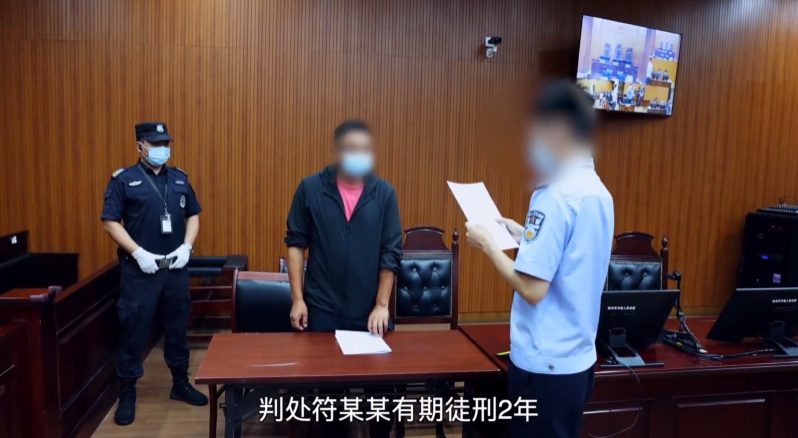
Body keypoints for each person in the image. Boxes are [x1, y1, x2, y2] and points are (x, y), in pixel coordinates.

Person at [464, 81, 614, 438]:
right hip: (577, 361)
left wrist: (489, 245)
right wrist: (524, 235)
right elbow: (572, 257)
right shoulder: (598, 192)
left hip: (543, 366)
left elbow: (532, 289)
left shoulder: (554, 195)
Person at [284, 119, 402, 438]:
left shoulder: (384, 193)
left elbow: (390, 252)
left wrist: (382, 305)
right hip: (324, 307)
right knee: (329, 396)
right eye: (351, 149)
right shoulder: (311, 188)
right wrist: (298, 299)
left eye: (364, 149)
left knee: (381, 393)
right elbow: (295, 244)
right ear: (337, 151)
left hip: (369, 311)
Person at [101, 121, 208, 426]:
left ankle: (180, 383)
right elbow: (109, 222)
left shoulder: (179, 178)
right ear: (140, 146)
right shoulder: (124, 180)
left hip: (174, 269)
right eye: (156, 144)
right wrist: (137, 253)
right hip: (140, 272)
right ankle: (128, 394)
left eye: (165, 143)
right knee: (133, 332)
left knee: (177, 328)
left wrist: (187, 247)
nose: (163, 149)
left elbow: (194, 215)